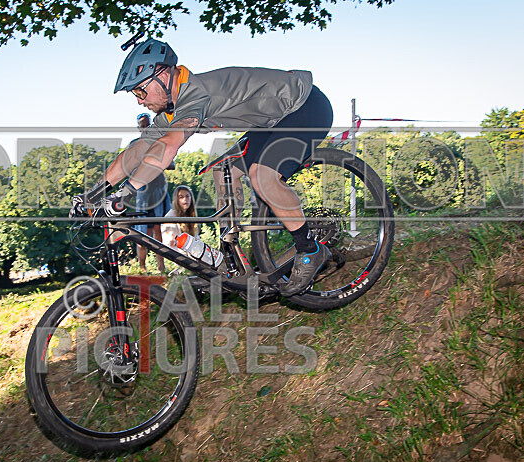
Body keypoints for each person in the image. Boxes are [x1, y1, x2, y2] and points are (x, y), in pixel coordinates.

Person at [71, 39, 334, 296]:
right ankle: (231, 262)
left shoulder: (195, 95)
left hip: (304, 105)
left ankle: (309, 249)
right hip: (273, 122)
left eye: (140, 91)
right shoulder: (172, 110)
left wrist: (126, 193)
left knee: (261, 176)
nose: (140, 101)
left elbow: (169, 145)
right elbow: (137, 151)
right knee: (223, 171)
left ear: (163, 75)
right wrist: (93, 194)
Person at [132, 113, 171, 274]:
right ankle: (142, 267)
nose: (146, 128)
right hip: (143, 193)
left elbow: (171, 164)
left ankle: (161, 267)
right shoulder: (134, 145)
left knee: (158, 230)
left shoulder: (160, 143)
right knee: (142, 232)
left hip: (159, 191)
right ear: (139, 128)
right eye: (143, 126)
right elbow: (129, 167)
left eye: (148, 125)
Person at [161, 185, 199, 254]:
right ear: (176, 200)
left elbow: (196, 240)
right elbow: (169, 244)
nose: (185, 199)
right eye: (181, 197)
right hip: (178, 256)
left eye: (187, 196)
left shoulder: (190, 216)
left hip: (191, 254)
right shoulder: (171, 216)